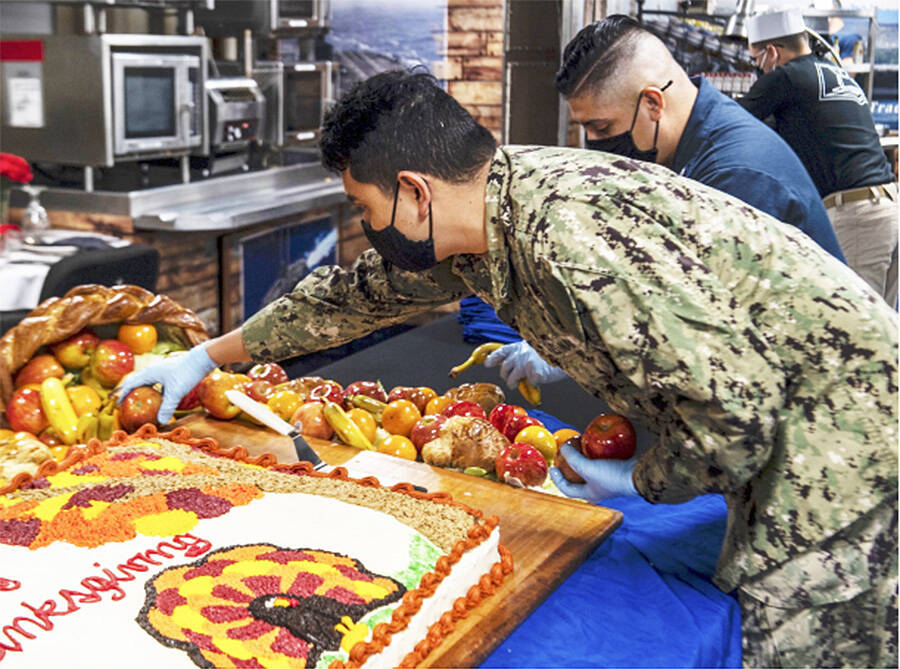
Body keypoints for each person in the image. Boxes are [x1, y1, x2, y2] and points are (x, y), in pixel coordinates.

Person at [119, 70, 898, 668]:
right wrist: (205, 353)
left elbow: (739, 408)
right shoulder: (490, 211)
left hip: (846, 440)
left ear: (416, 192)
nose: (366, 229)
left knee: (792, 633)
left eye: (364, 208)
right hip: (786, 422)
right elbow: (350, 299)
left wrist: (647, 482)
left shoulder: (568, 234)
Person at [484, 14, 846, 390]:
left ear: (653, 103)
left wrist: (573, 351)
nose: (595, 143)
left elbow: (700, 331)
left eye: (603, 128)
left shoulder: (736, 175)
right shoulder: (691, 146)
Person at [740, 8, 898, 308]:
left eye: (754, 59)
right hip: (888, 207)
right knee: (886, 329)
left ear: (771, 52)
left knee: (857, 323)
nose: (757, 68)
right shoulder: (835, 72)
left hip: (857, 217)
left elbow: (732, 118)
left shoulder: (785, 77)